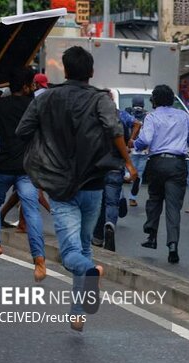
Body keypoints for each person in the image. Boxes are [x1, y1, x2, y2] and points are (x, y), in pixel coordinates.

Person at [17, 46, 137, 331]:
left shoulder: (47, 99)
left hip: (59, 185)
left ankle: (89, 277)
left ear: (65, 70)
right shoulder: (100, 99)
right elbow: (114, 130)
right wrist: (129, 163)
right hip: (93, 183)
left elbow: (23, 131)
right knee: (83, 247)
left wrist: (44, 152)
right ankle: (77, 313)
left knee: (71, 254)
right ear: (91, 72)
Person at [0, 67, 47, 282]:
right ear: (25, 87)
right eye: (31, 83)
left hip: (3, 165)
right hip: (26, 167)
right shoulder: (34, 106)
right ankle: (39, 259)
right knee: (31, 210)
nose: (33, 86)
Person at [134, 84, 189, 263]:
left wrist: (137, 144)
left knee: (154, 199)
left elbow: (146, 139)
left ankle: (151, 235)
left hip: (157, 162)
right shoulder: (183, 116)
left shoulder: (152, 117)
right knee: (173, 206)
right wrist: (183, 141)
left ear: (154, 100)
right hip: (178, 163)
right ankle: (172, 245)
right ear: (172, 99)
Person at [92, 95, 141, 251]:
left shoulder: (93, 116)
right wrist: (128, 145)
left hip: (97, 166)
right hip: (115, 165)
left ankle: (98, 237)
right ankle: (110, 225)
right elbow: (135, 125)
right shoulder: (121, 115)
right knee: (112, 202)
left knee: (100, 203)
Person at [127, 96, 148, 207]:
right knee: (138, 175)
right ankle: (132, 198)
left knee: (129, 171)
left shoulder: (128, 113)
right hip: (144, 150)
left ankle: (126, 176)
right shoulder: (148, 115)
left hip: (131, 148)